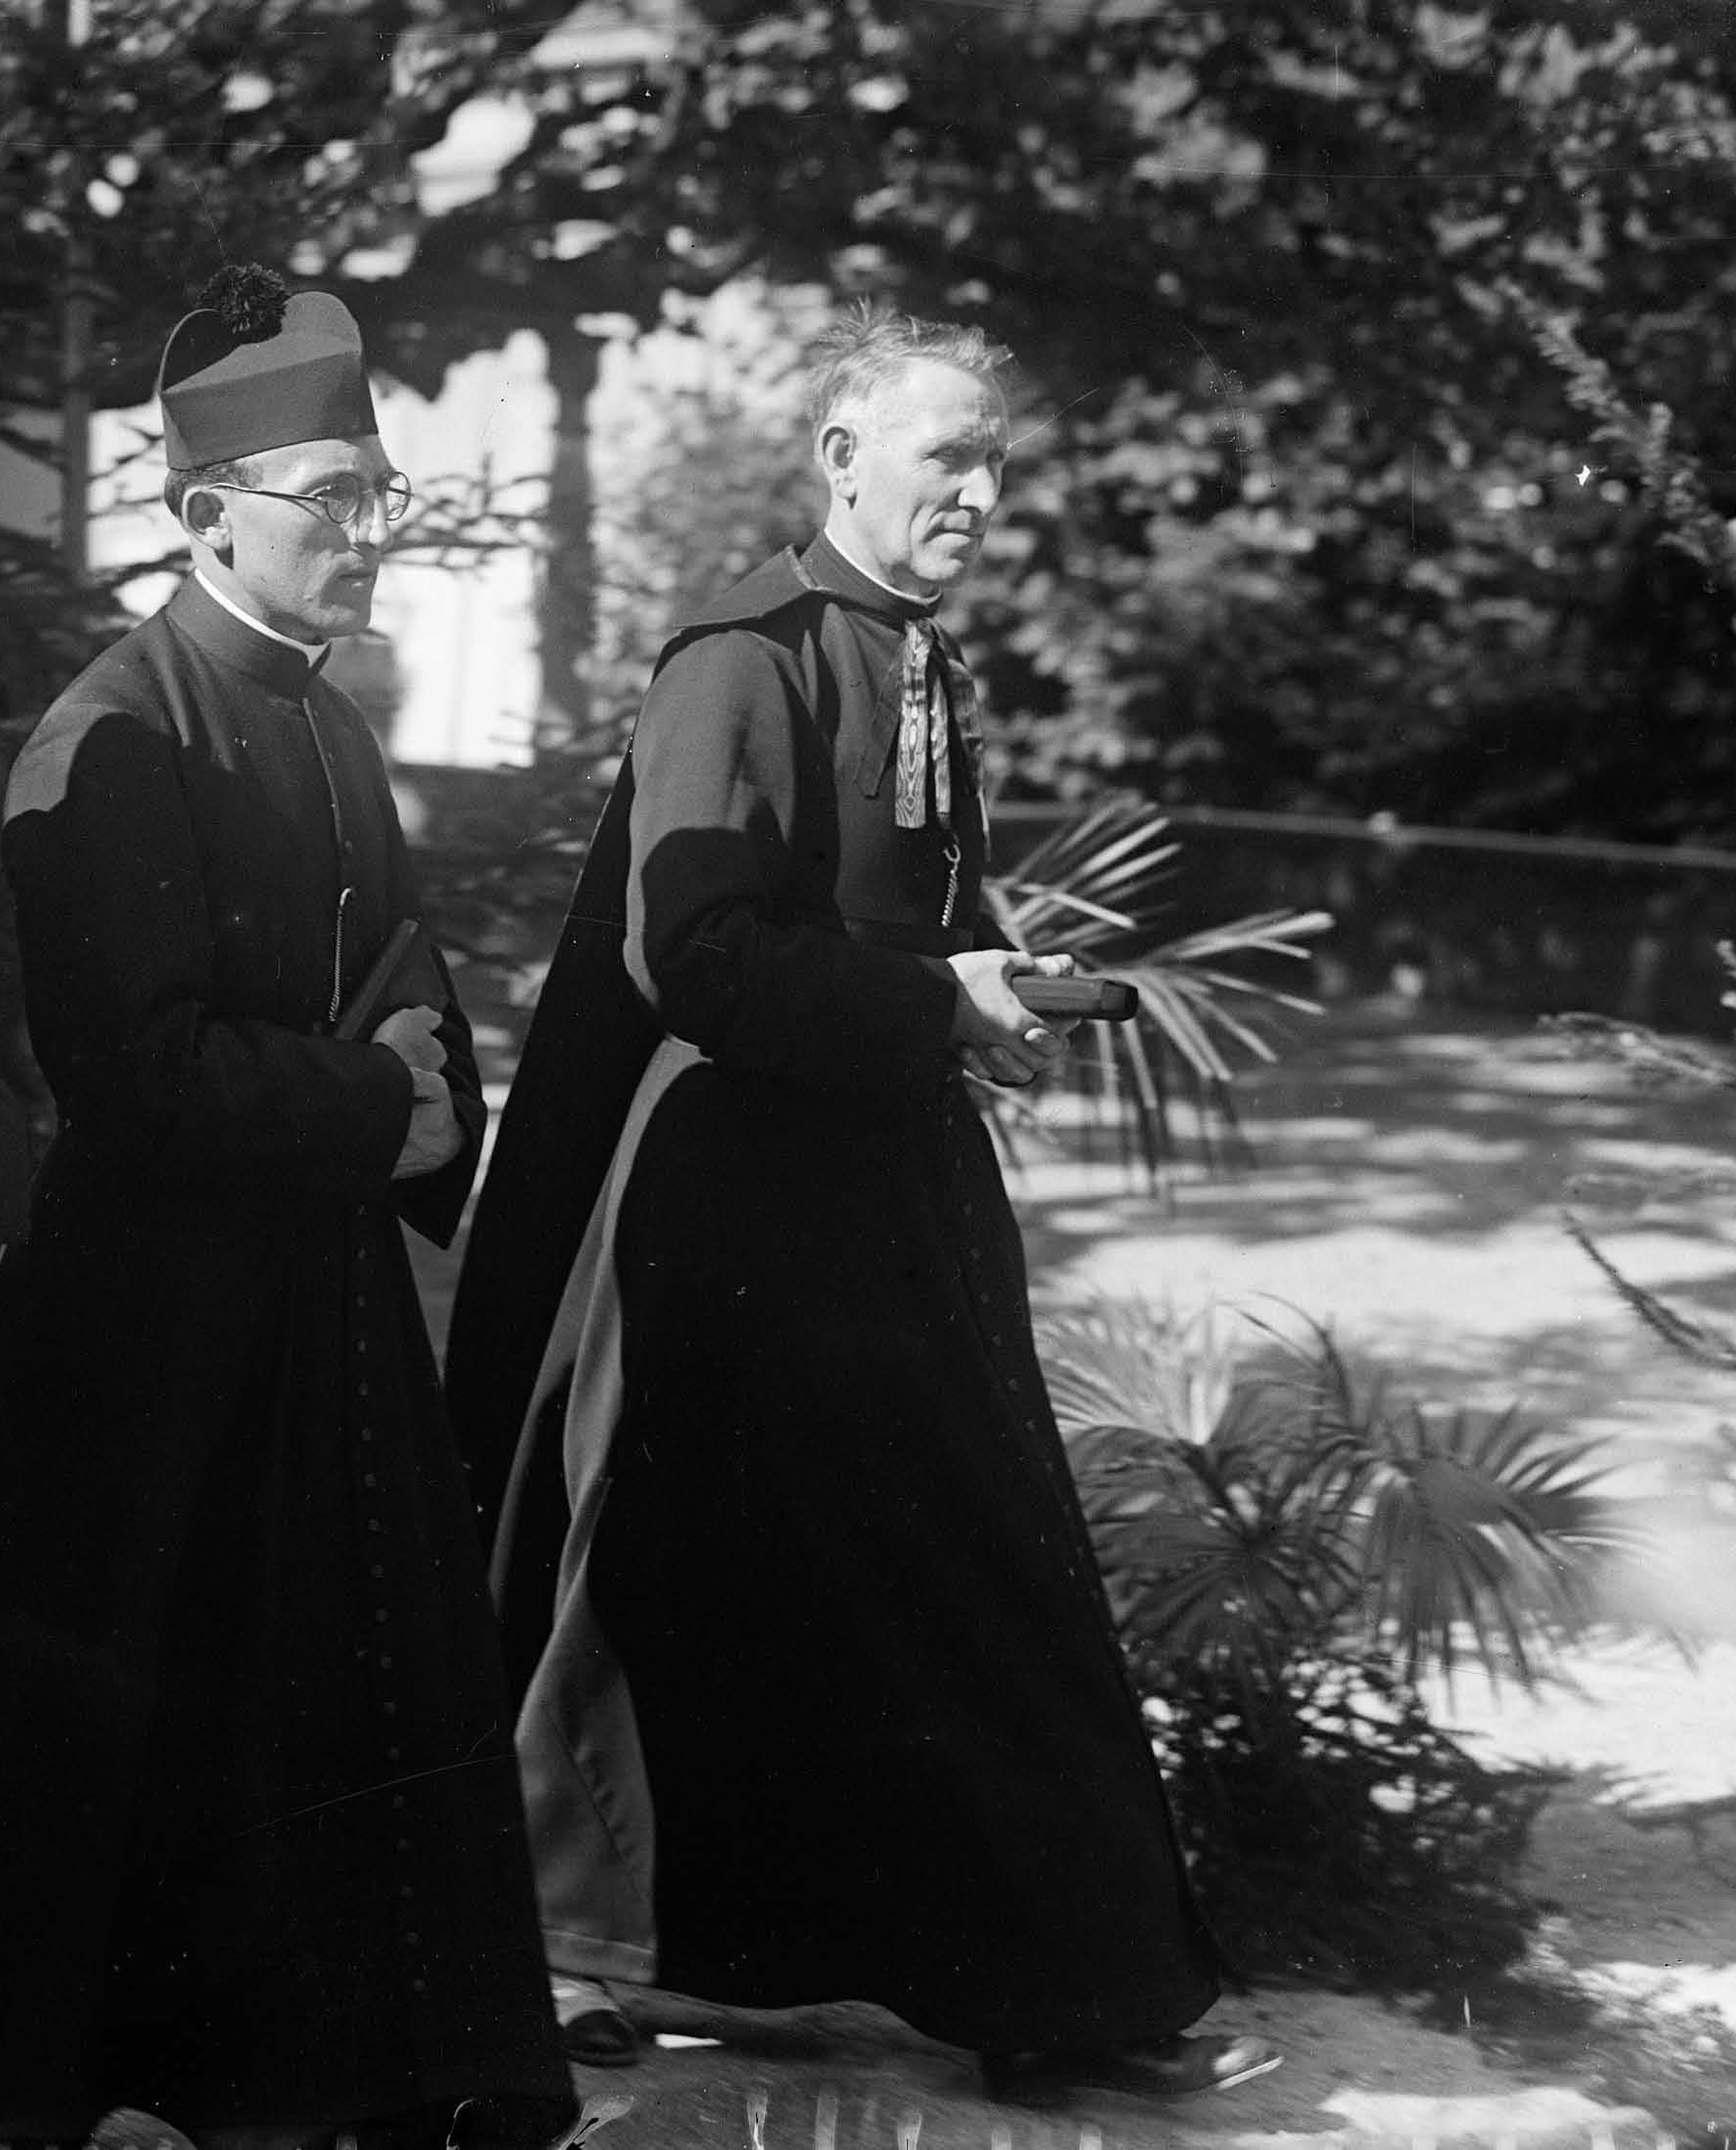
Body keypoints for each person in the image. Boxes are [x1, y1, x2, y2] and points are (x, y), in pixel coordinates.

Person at [441, 309, 1283, 2108]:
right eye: (943, 457)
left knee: (950, 1566)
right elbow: (697, 951)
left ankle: (1061, 1982)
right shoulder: (736, 656)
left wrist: (991, 994)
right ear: (839, 457)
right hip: (725, 1210)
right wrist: (935, 1008)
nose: (978, 491)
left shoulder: (912, 651)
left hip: (877, 1178)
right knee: (666, 1595)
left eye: (994, 463)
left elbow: (893, 914)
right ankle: (591, 1953)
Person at [0, 266, 576, 2149]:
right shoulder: (107, 736)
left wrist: (429, 1090)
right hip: (150, 1339)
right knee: (142, 1721)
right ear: (206, 515)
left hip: (315, 1309)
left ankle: (316, 2074)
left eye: (378, 495)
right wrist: (382, 1099)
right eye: (327, 499)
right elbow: (136, 1067)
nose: (369, 534)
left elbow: (391, 979)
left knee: (309, 1712)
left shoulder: (326, 721)